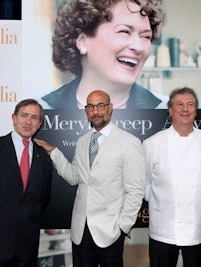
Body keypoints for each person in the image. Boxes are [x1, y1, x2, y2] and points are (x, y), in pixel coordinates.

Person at [34, 90, 145, 266]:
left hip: (110, 231)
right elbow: (73, 177)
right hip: (80, 230)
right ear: (86, 110)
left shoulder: (129, 143)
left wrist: (122, 227)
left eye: (101, 105)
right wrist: (53, 151)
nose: (96, 111)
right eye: (91, 106)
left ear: (110, 107)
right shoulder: (83, 141)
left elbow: (136, 191)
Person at [0, 99, 53, 267]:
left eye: (34, 117)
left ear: (40, 124)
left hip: (26, 248)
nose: (28, 121)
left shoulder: (44, 158)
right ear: (14, 118)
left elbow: (43, 198)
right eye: (24, 115)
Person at [40, 0, 167, 109]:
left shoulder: (169, 113)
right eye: (124, 31)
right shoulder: (40, 111)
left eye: (146, 36)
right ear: (82, 41)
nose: (138, 47)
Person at [143, 87, 201, 266]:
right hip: (163, 228)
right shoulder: (152, 144)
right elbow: (144, 184)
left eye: (190, 104)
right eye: (180, 104)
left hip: (199, 226)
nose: (185, 109)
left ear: (195, 111)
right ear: (170, 110)